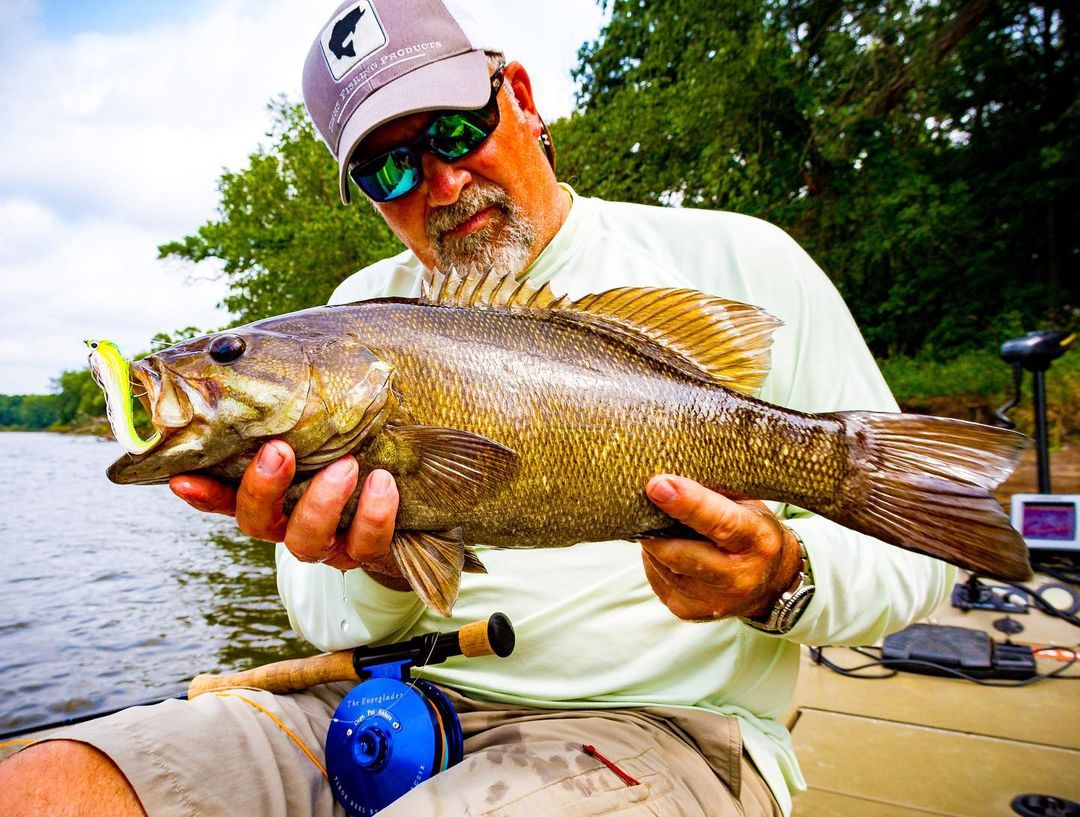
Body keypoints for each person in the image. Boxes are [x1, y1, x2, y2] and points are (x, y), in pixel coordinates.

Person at [0, 1, 954, 815]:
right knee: (46, 784)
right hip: (381, 702)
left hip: (662, 731)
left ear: (523, 100)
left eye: (454, 129)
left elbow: (916, 573)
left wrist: (778, 579)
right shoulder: (355, 311)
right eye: (391, 168)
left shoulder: (738, 261)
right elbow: (325, 616)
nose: (444, 182)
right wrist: (360, 564)